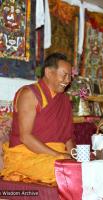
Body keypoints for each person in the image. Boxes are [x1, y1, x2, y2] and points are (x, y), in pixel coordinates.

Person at [0, 53, 75, 185]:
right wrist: (58, 155)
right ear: (48, 72)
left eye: (70, 76)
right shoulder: (30, 94)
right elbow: (25, 137)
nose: (68, 80)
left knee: (82, 168)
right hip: (26, 156)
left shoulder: (64, 99)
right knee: (63, 170)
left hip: (55, 156)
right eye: (64, 75)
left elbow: (67, 137)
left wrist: (74, 157)